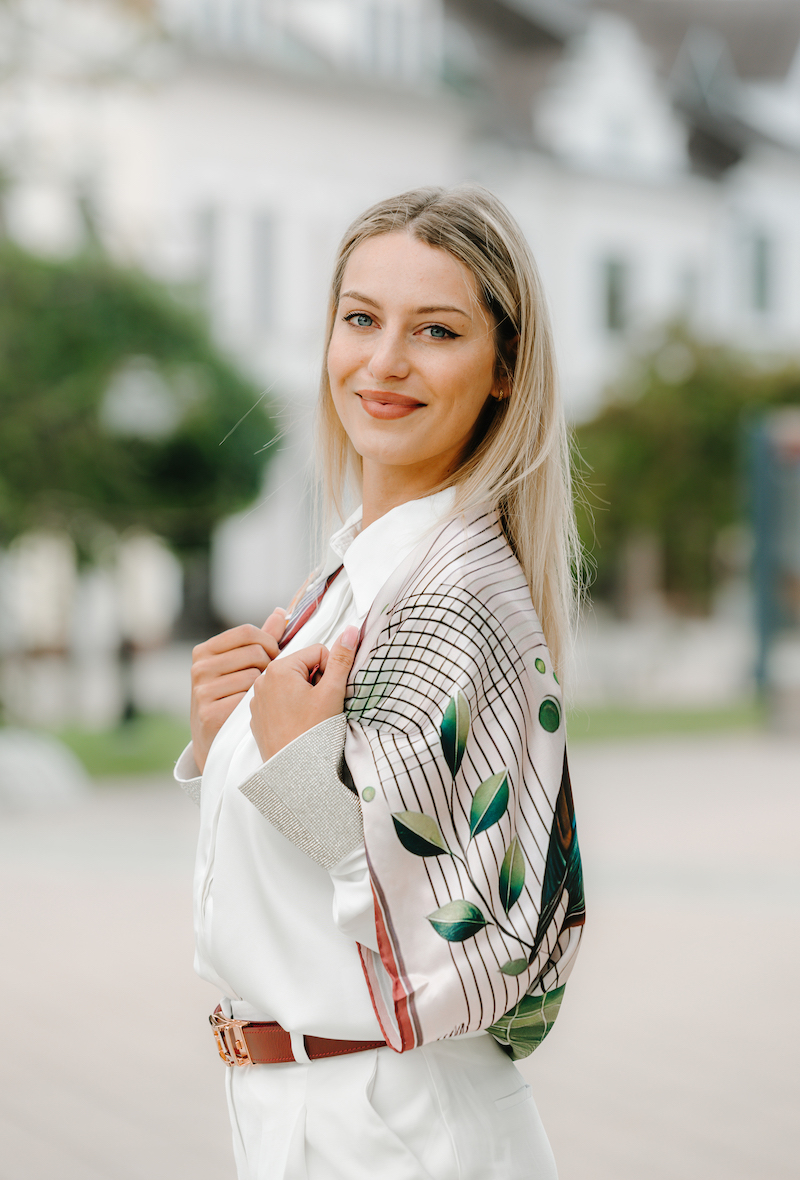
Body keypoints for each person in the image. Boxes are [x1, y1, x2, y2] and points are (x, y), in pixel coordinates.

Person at [176, 185, 585, 1179]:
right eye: (361, 319)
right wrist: (223, 741)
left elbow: (462, 928)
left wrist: (295, 763)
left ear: (504, 368)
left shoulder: (454, 596)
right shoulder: (358, 573)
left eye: (435, 330)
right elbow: (307, 873)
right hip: (316, 1113)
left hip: (393, 1127)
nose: (384, 361)